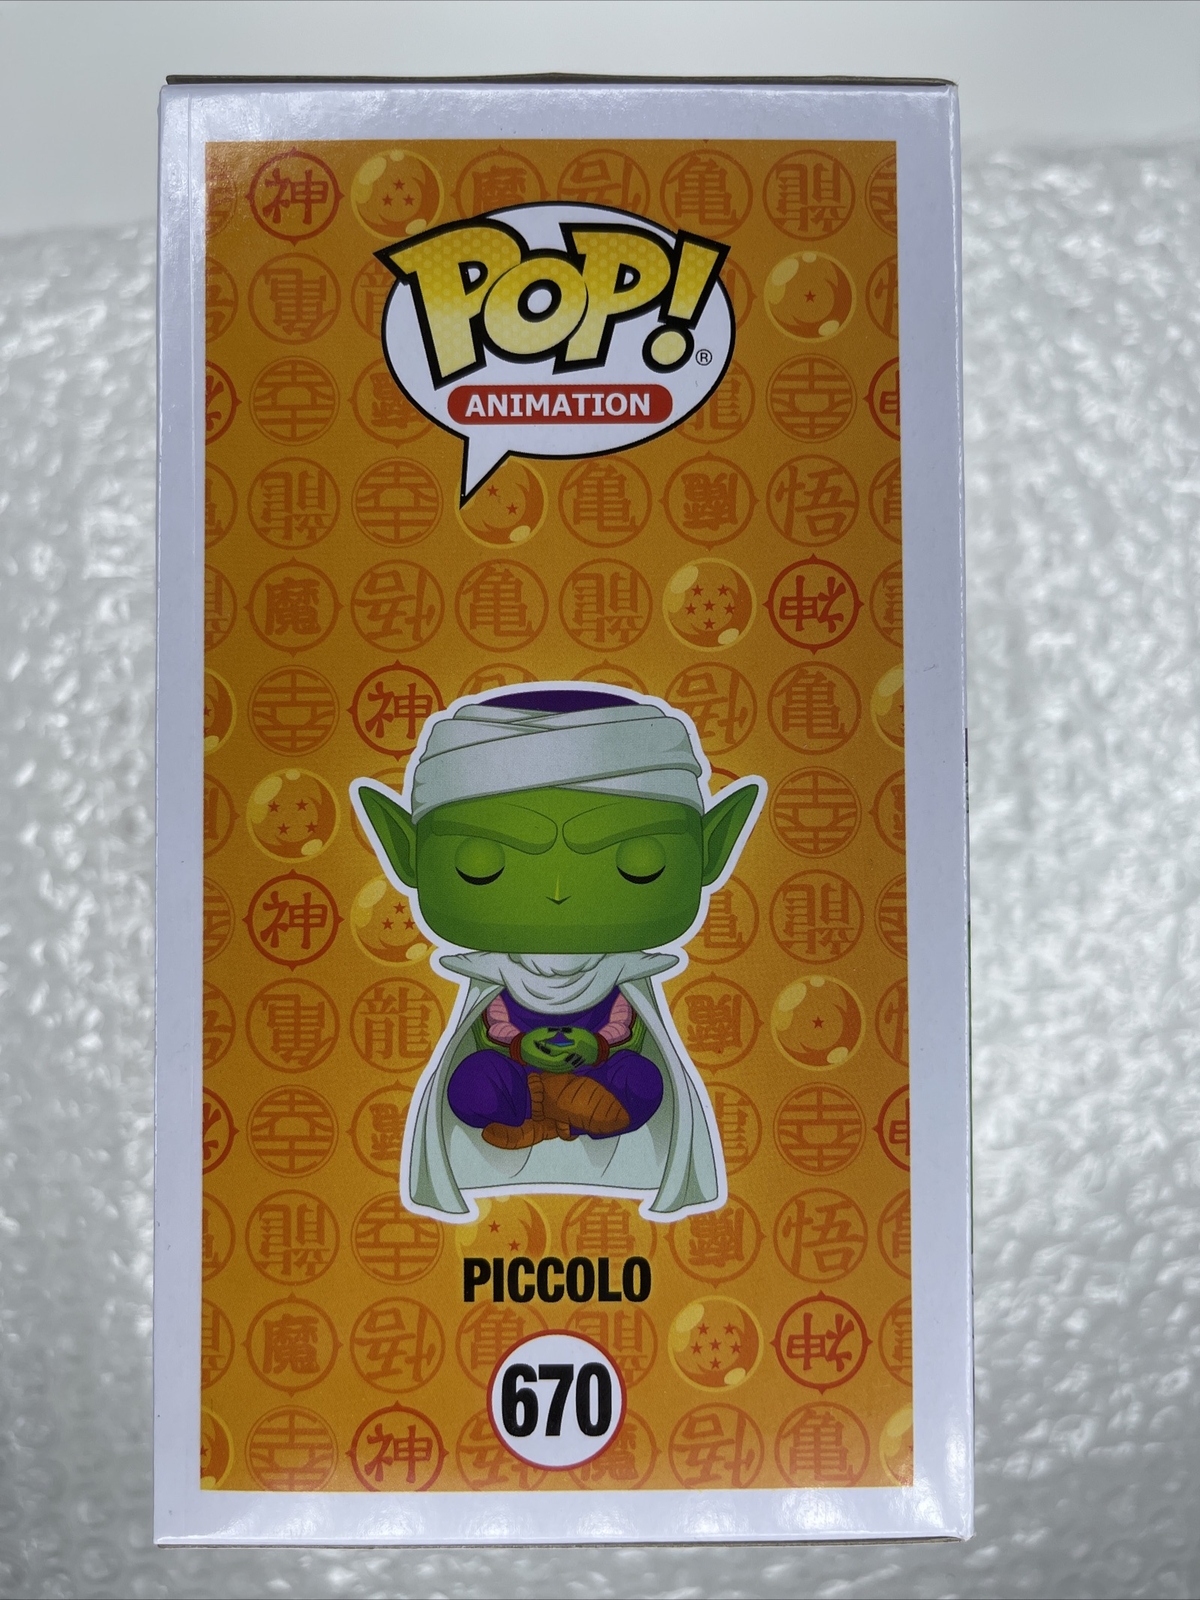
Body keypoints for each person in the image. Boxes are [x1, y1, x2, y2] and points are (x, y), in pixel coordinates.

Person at [352, 686, 764, 1222]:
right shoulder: (492, 977)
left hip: (602, 1068)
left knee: (643, 1082)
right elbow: (493, 1026)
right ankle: (546, 1107)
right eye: (482, 865)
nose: (557, 892)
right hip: (515, 1070)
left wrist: (599, 1044)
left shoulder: (625, 978)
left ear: (715, 846)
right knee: (473, 1082)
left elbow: (627, 1026)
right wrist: (519, 1047)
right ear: (403, 850)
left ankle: (563, 1109)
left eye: (639, 864)